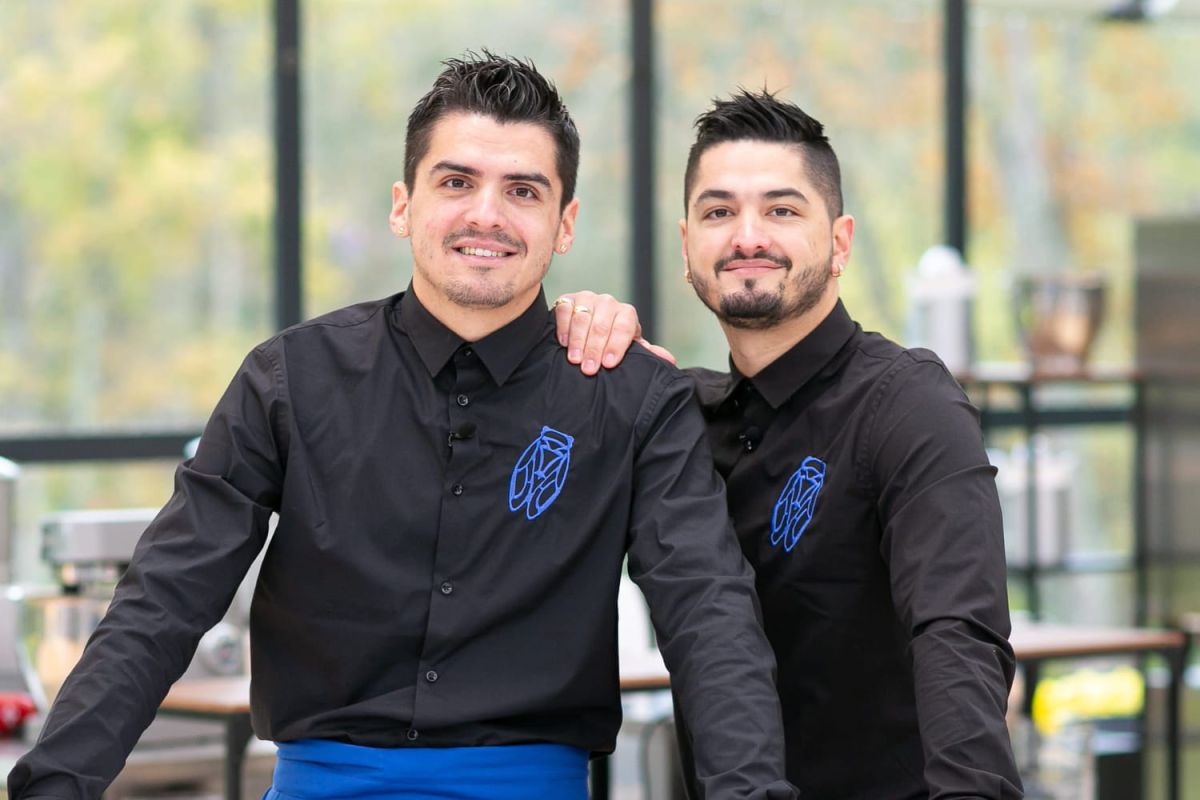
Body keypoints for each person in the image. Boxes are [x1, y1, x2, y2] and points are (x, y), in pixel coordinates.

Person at [9, 56, 797, 800]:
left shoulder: (632, 398)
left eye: (523, 191)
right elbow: (165, 596)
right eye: (456, 182)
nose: (486, 214)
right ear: (402, 204)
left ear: (564, 224)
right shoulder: (289, 380)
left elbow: (708, 617)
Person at [557, 90, 1023, 799]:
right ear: (686, 246)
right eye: (719, 212)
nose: (748, 237)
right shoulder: (679, 416)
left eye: (781, 210)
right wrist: (577, 329)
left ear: (840, 243)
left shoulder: (908, 405)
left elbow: (958, 633)